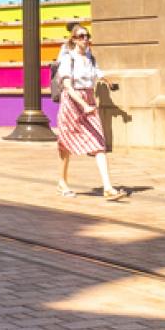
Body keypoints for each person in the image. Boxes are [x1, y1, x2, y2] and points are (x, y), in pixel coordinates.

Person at [52, 25, 123, 200]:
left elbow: (98, 73)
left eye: (87, 36)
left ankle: (108, 187)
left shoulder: (90, 57)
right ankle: (62, 182)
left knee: (99, 144)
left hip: (89, 100)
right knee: (66, 146)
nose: (85, 39)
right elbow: (67, 87)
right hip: (73, 102)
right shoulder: (69, 59)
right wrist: (83, 104)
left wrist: (107, 82)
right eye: (81, 36)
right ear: (74, 39)